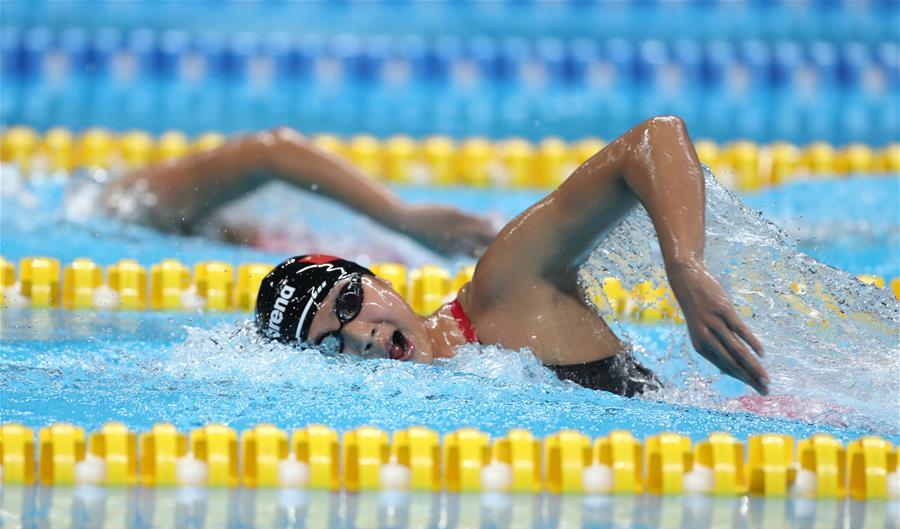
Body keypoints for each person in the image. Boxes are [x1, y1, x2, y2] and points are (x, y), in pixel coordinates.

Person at [255, 116, 770, 397]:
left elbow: (653, 139)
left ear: (380, 281)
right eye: (329, 345)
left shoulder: (503, 290)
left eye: (349, 304)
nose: (359, 338)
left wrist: (685, 266)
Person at [98, 127, 496, 257]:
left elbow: (270, 151)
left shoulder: (139, 205)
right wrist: (400, 219)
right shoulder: (131, 208)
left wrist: (402, 218)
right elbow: (270, 153)